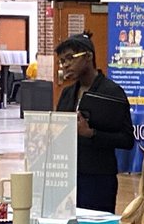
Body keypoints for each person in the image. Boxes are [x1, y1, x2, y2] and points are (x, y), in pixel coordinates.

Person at [55, 32, 134, 213]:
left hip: (99, 178)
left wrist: (92, 134)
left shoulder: (112, 92)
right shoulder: (67, 93)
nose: (65, 64)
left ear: (88, 56)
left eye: (69, 58)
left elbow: (127, 140)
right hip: (67, 176)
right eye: (62, 61)